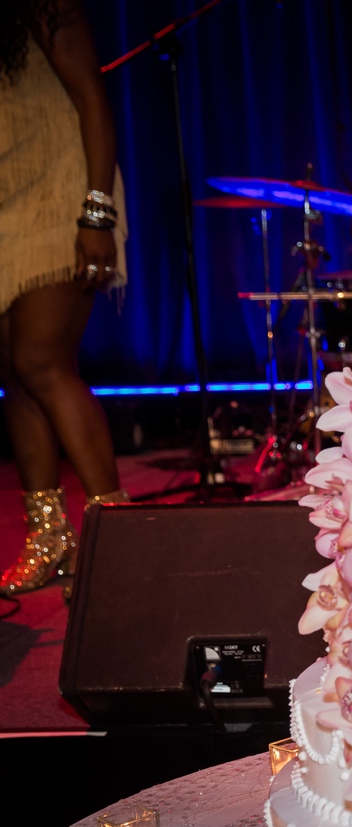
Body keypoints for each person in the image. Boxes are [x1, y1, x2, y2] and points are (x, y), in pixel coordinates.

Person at [0, 0, 128, 596]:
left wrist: (96, 211)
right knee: (13, 374)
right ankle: (50, 537)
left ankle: (115, 536)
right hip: (8, 196)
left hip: (64, 188)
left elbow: (94, 102)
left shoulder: (41, 4)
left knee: (40, 361)